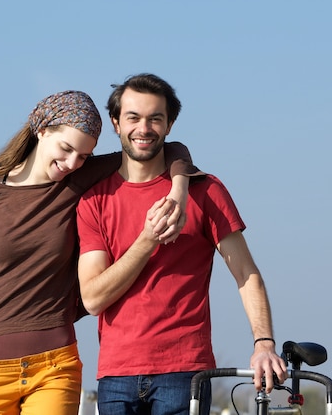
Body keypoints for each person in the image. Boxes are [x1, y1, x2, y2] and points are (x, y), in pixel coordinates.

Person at [0, 90, 200, 415]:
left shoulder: (76, 181)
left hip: (54, 366)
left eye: (83, 156)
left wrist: (178, 191)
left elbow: (171, 149)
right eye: (66, 149)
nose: (71, 163)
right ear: (42, 129)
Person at [76, 74, 288, 415]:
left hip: (186, 371)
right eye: (133, 117)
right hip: (116, 376)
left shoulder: (205, 191)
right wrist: (147, 240)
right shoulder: (94, 201)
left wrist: (264, 344)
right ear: (116, 123)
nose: (143, 128)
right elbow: (93, 298)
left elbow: (246, 274)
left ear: (169, 125)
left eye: (155, 118)